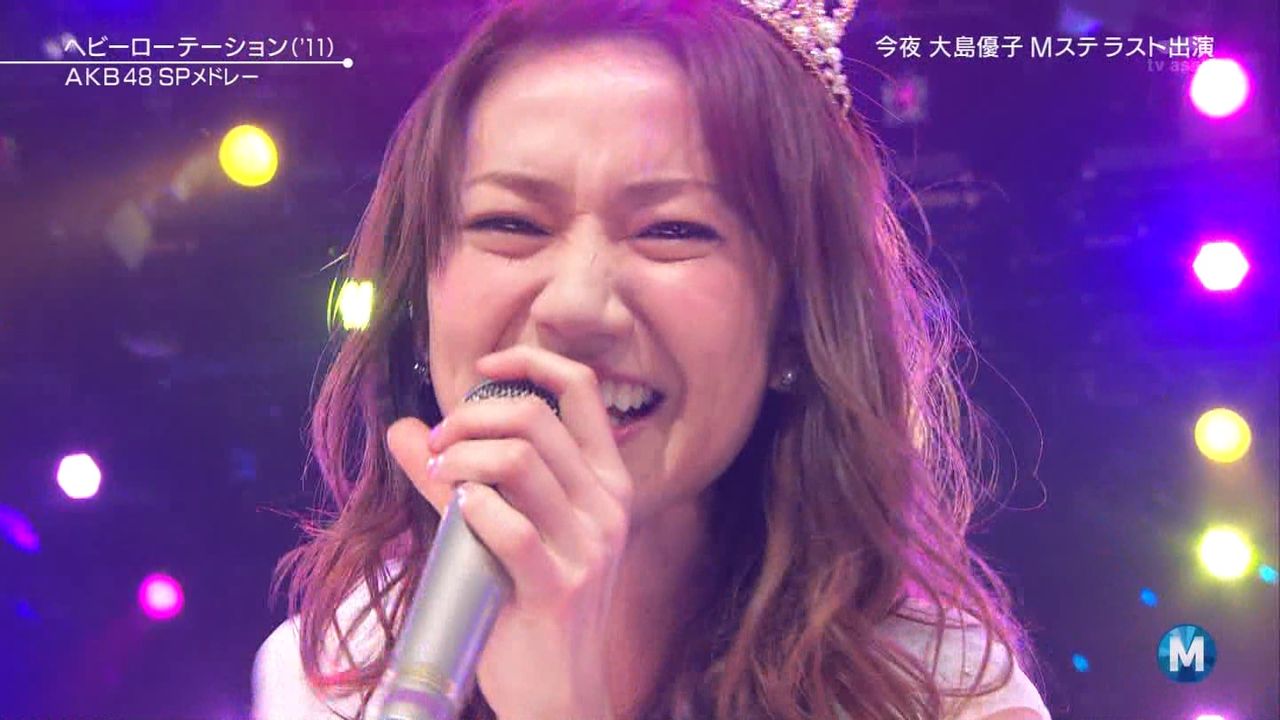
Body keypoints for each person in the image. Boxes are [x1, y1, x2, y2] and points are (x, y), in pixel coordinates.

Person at [253, 0, 1053, 718]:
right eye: (511, 224)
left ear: (794, 324)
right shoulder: (329, 676)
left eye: (673, 230)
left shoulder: (943, 695)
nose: (576, 305)